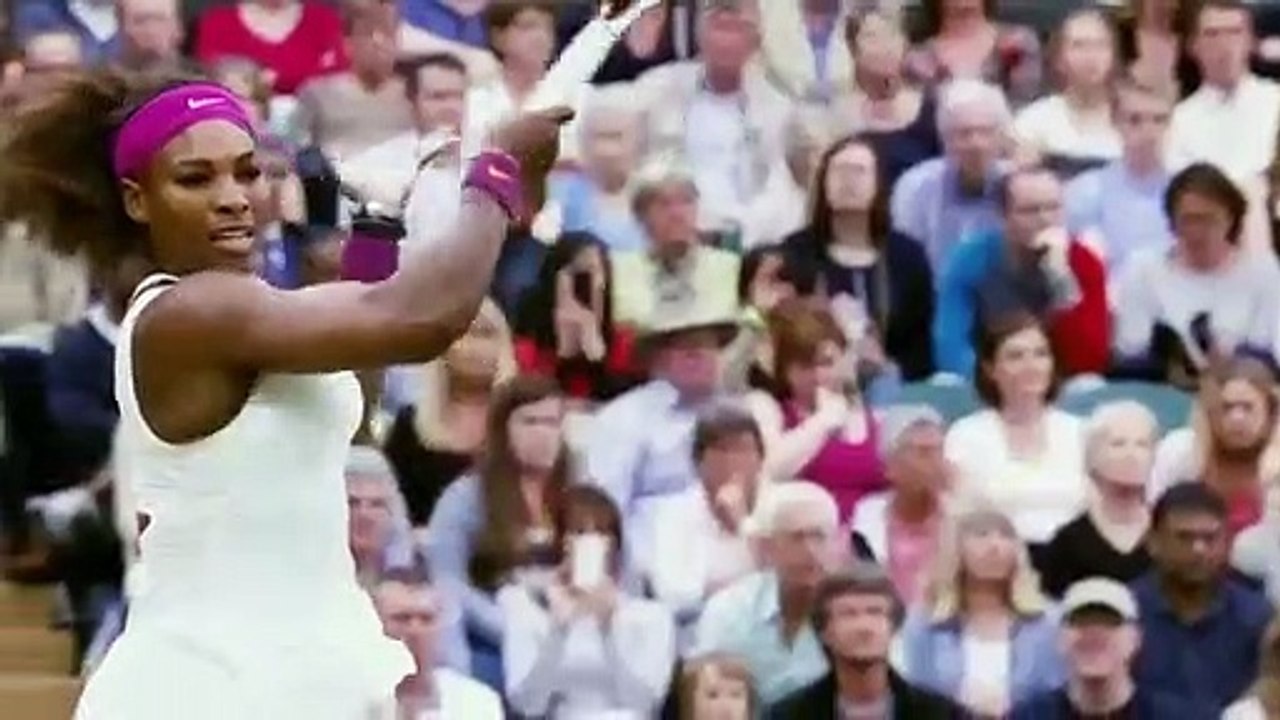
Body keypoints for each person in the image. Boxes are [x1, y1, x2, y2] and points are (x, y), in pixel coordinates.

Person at [0, 59, 572, 719]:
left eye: (248, 171)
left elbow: (353, 405)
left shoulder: (251, 311)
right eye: (195, 178)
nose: (233, 197)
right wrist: (495, 173)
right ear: (137, 200)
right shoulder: (193, 311)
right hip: (203, 685)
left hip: (293, 668)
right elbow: (426, 320)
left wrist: (377, 227)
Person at [767, 565, 960, 719]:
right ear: (824, 632)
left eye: (875, 612)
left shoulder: (943, 715)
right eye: (848, 614)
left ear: (894, 627)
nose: (864, 627)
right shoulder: (786, 715)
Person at [1010, 577, 1199, 719]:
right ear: (1059, 638)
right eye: (1081, 622)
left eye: (1109, 622)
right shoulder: (1028, 716)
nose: (1094, 634)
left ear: (1135, 639)